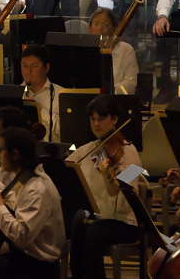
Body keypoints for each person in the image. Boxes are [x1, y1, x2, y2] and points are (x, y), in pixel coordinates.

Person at [67, 94, 144, 279]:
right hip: (103, 219)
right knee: (78, 226)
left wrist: (109, 175)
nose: (96, 124)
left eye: (101, 118)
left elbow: (120, 190)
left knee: (92, 232)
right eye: (92, 119)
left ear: (115, 119)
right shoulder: (92, 149)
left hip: (126, 223)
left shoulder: (131, 153)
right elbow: (68, 163)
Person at [0, 127, 65, 277]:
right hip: (23, 257)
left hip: (37, 267)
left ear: (15, 154)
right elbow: (16, 203)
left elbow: (21, 236)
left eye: (0, 150)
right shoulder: (25, 177)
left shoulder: (37, 188)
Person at [87, 7, 139, 95]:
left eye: (106, 25)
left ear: (114, 28)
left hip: (117, 102)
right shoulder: (85, 49)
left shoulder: (126, 49)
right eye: (96, 24)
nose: (100, 28)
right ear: (90, 28)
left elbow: (131, 84)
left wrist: (109, 92)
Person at [20, 44, 61, 142]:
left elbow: (64, 132)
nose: (28, 71)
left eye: (34, 66)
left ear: (46, 68)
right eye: (24, 66)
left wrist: (38, 109)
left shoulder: (60, 94)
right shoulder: (15, 93)